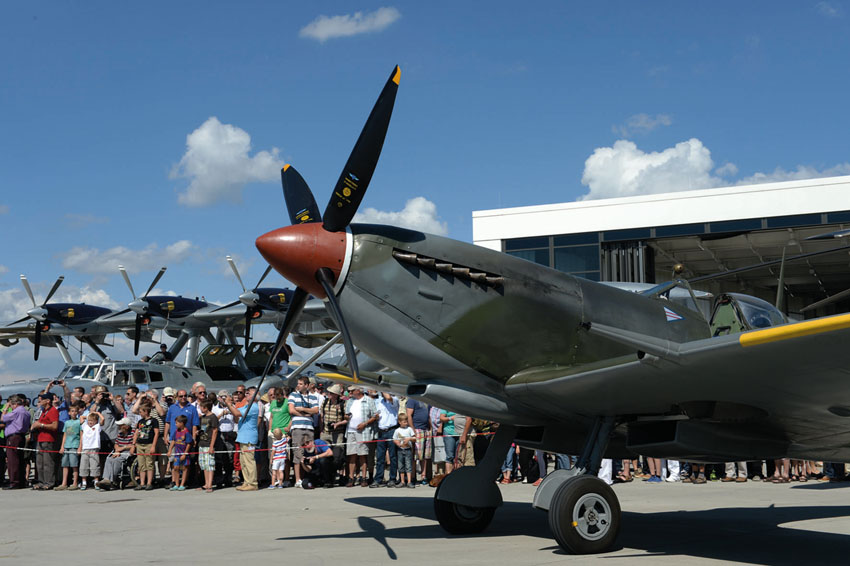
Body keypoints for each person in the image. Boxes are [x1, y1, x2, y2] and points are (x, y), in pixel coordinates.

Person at [225, 387, 261, 491]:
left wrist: (229, 404)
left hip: (249, 437)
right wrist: (230, 405)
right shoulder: (246, 406)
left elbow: (236, 413)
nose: (246, 395)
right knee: (243, 462)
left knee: (249, 461)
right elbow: (236, 416)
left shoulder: (253, 407)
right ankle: (247, 481)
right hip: (243, 437)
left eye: (249, 393)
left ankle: (253, 483)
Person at [288, 376, 319, 488]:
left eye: (301, 384)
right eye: (298, 383)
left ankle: (308, 477)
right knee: (298, 453)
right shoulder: (293, 395)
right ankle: (297, 479)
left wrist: (302, 409)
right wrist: (305, 414)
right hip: (297, 427)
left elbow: (315, 410)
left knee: (309, 453)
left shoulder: (313, 397)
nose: (298, 385)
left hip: (309, 428)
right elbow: (291, 410)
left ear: (306, 385)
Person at [344, 386, 378, 487]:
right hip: (350, 430)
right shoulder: (350, 401)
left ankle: (363, 477)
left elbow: (375, 415)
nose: (349, 393)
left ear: (358, 391)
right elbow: (346, 414)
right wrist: (346, 416)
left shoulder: (368, 400)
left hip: (363, 432)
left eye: (351, 391)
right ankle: (351, 477)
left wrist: (365, 423)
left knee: (363, 455)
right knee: (351, 455)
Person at [1, 396, 31, 489]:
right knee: (20, 460)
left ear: (15, 404)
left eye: (12, 405)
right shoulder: (26, 411)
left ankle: (14, 482)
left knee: (12, 461)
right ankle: (21, 481)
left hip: (13, 437)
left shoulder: (17, 411)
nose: (11, 407)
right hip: (21, 436)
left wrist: (5, 409)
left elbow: (3, 418)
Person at [32, 392, 60, 489]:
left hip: (48, 439)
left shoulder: (53, 411)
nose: (40, 401)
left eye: (42, 399)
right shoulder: (44, 411)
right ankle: (41, 481)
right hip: (40, 438)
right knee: (40, 463)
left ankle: (49, 482)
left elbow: (54, 426)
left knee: (48, 462)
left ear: (48, 401)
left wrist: (41, 425)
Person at [97, 417, 135, 490]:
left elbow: (133, 445)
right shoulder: (120, 434)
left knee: (116, 460)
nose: (119, 426)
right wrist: (117, 450)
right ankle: (106, 479)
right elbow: (116, 443)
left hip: (127, 452)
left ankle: (112, 480)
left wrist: (122, 448)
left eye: (121, 425)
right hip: (119, 451)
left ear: (126, 426)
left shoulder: (133, 433)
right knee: (109, 459)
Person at [133, 403, 159, 491]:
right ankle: (142, 483)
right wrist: (134, 444)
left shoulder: (154, 421)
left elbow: (156, 433)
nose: (140, 413)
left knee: (149, 463)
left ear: (146, 412)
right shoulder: (140, 422)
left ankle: (149, 483)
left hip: (149, 444)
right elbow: (136, 433)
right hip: (140, 444)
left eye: (141, 412)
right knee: (141, 464)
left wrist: (153, 446)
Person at [56, 403, 82, 491]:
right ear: (69, 413)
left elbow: (81, 435)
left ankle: (75, 482)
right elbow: (65, 435)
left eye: (75, 411)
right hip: (67, 445)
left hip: (74, 445)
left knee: (74, 465)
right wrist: (62, 447)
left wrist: (80, 447)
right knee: (65, 465)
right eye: (72, 411)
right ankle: (64, 483)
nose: (74, 413)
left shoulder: (79, 422)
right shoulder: (67, 423)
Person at [405, 398, 431, 484]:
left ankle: (423, 476)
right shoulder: (412, 400)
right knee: (416, 455)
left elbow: (429, 415)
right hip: (417, 429)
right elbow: (409, 415)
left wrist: (430, 428)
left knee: (425, 455)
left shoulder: (427, 400)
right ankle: (413, 477)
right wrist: (413, 430)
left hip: (426, 429)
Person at [197, 399, 219, 493]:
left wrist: (211, 446)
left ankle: (210, 484)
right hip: (202, 443)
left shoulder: (213, 417)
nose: (200, 408)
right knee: (204, 465)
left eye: (201, 407)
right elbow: (204, 429)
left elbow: (215, 431)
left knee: (210, 464)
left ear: (205, 408)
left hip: (208, 443)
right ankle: (206, 483)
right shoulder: (203, 417)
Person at [79, 411, 104, 491]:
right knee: (84, 466)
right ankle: (84, 482)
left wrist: (96, 413)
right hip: (85, 449)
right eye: (89, 421)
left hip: (94, 449)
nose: (90, 422)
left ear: (95, 421)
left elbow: (102, 419)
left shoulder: (97, 427)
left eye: (92, 421)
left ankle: (96, 482)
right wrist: (89, 416)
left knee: (95, 466)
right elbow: (81, 417)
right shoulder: (85, 426)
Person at [167, 415, 192, 491]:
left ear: (182, 423)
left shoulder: (186, 432)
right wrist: (170, 450)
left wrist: (185, 454)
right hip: (177, 453)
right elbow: (173, 441)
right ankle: (176, 484)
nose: (175, 424)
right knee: (176, 468)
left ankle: (182, 484)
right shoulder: (176, 431)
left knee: (184, 468)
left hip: (184, 453)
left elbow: (188, 444)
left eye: (177, 423)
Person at [393, 413, 416, 488]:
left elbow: (414, 438)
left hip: (408, 450)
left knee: (408, 465)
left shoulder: (409, 429)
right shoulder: (397, 430)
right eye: (404, 422)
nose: (406, 423)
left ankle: (409, 481)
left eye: (406, 421)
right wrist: (398, 444)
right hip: (400, 450)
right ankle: (402, 481)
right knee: (400, 466)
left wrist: (409, 439)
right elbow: (394, 439)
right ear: (399, 422)